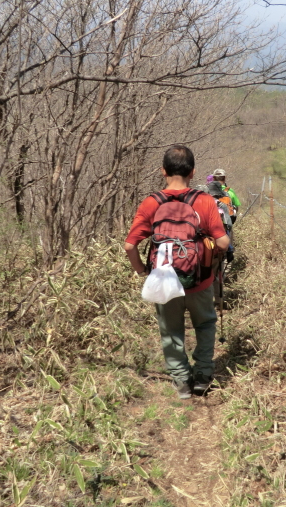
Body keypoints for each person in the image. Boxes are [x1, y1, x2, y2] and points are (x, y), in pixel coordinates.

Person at [124, 145, 230, 398]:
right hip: (200, 280)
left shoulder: (152, 203)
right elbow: (223, 242)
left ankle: (181, 381)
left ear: (163, 171)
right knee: (205, 324)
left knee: (171, 330)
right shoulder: (204, 201)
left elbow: (130, 245)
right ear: (192, 172)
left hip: (163, 279)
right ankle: (202, 376)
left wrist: (142, 271)